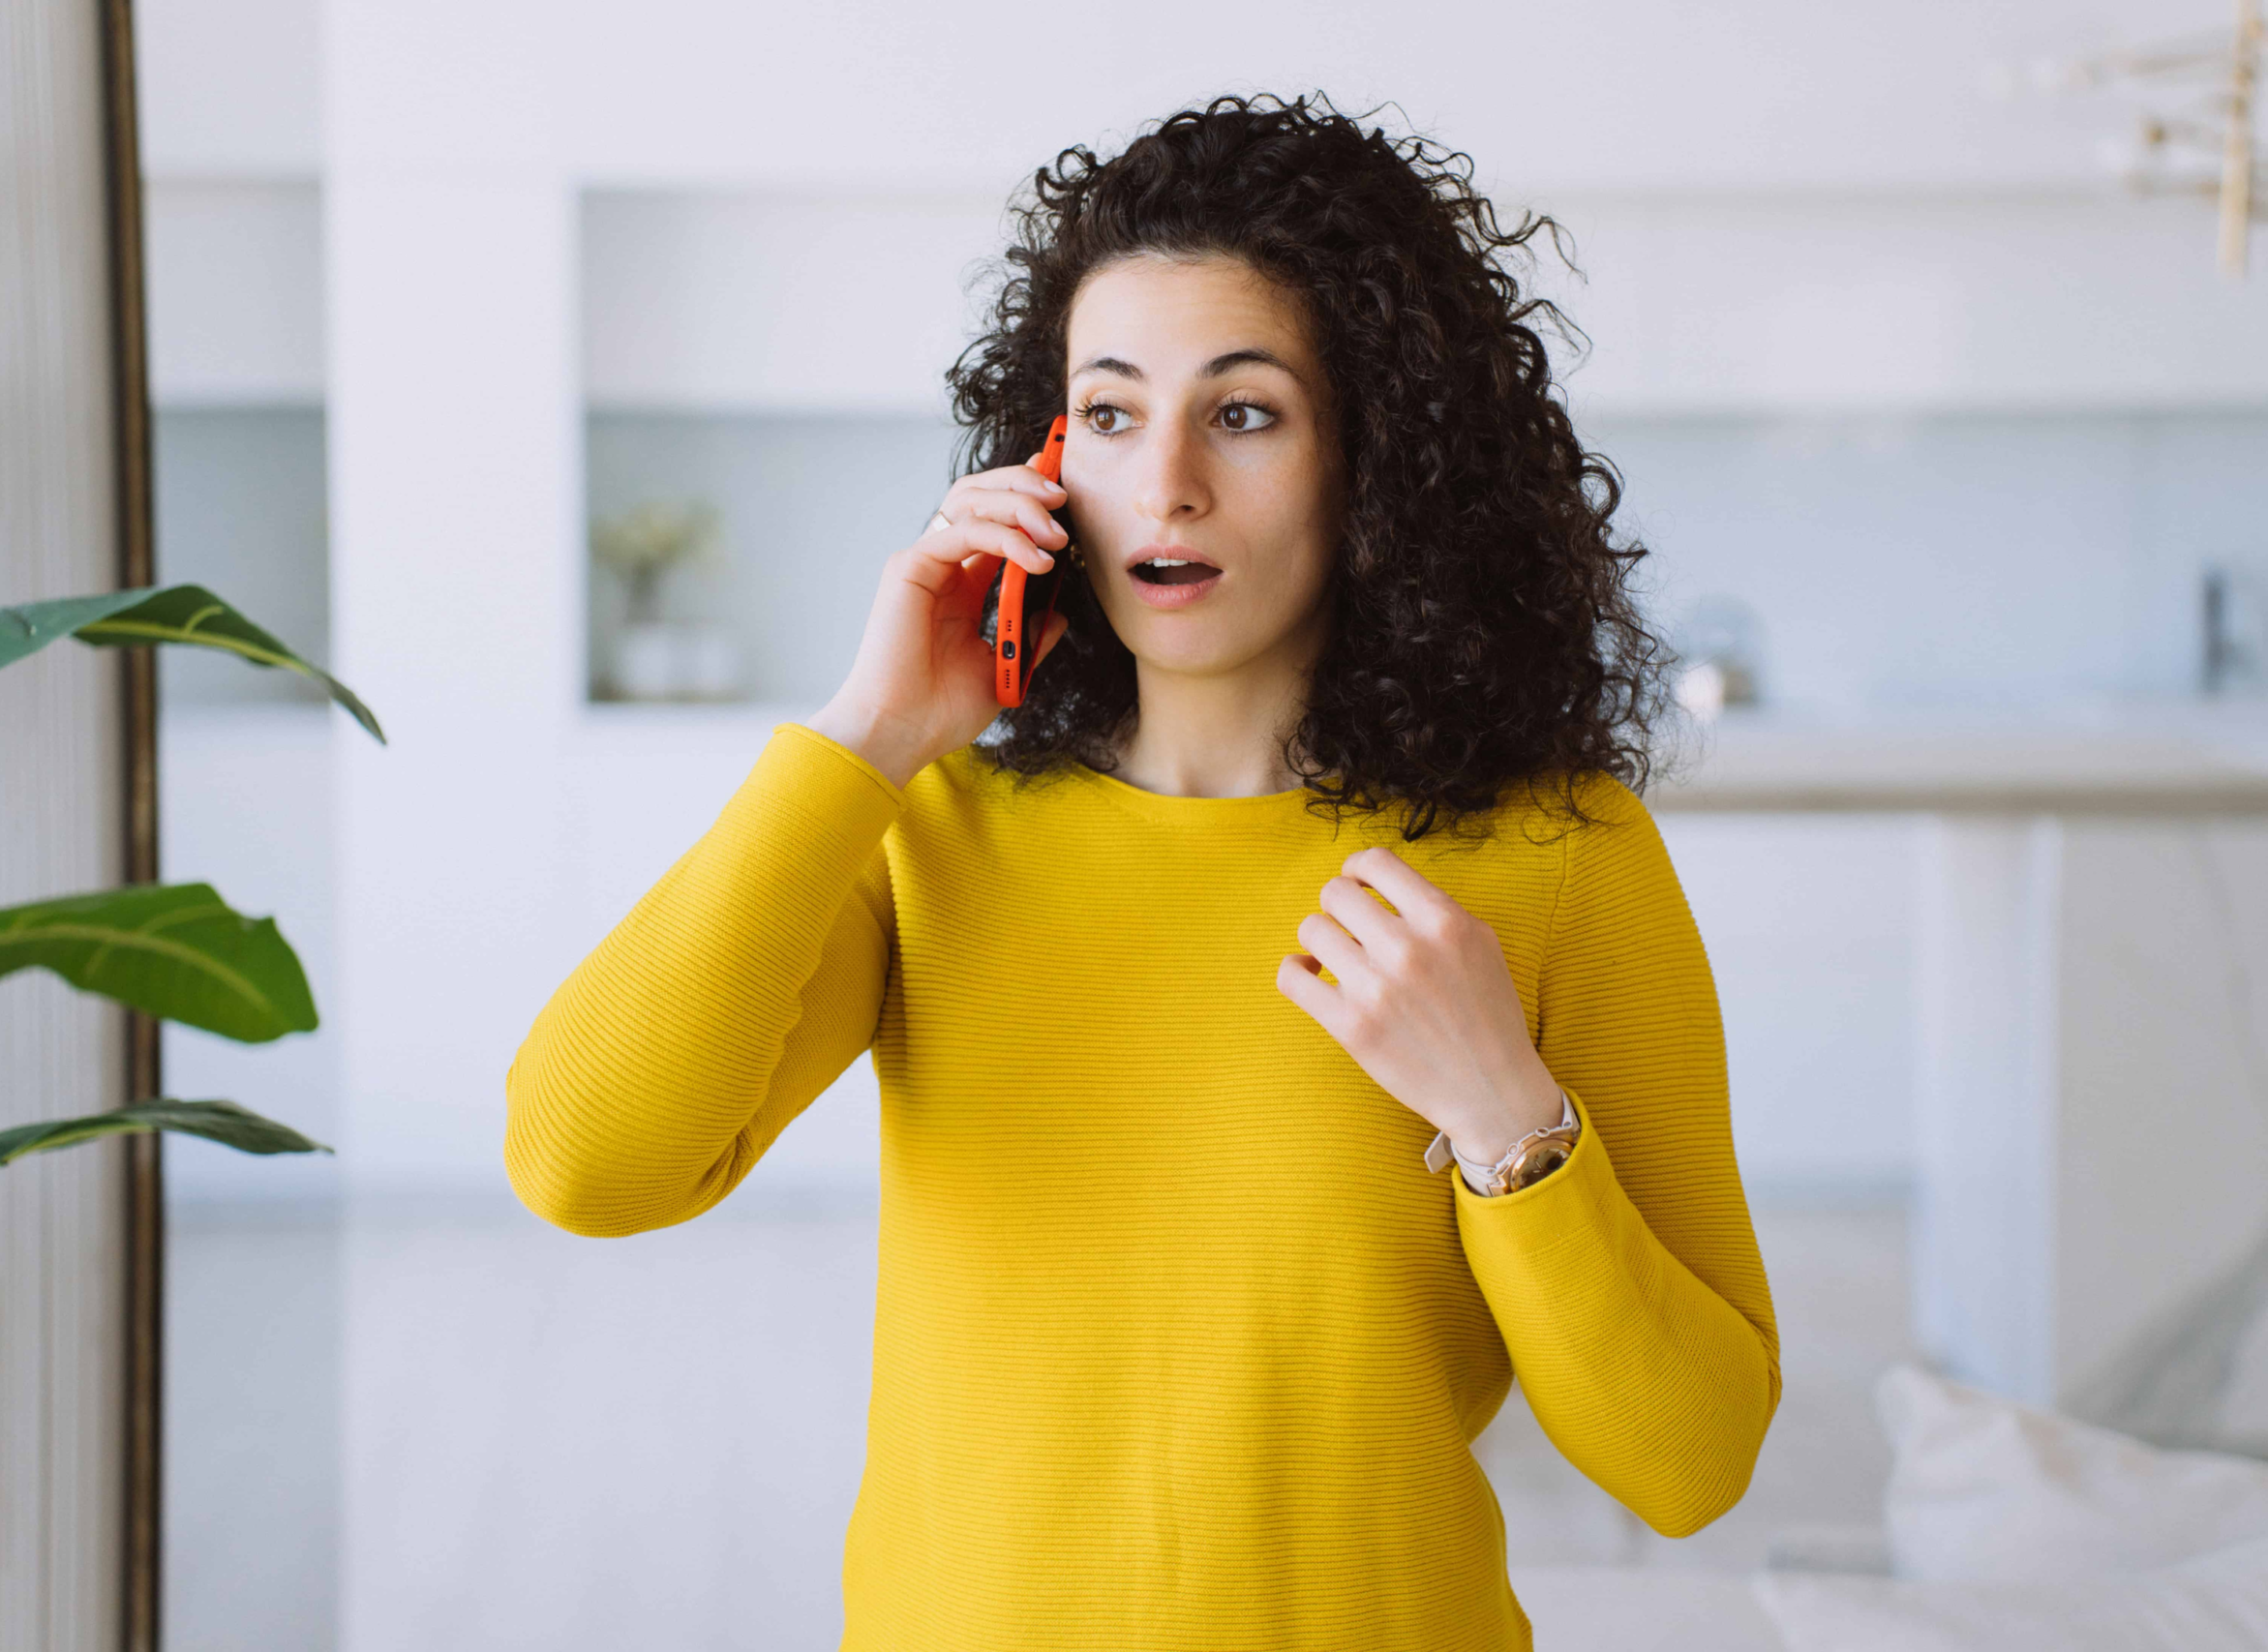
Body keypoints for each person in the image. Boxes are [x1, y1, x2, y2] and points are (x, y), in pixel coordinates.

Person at [506, 90, 1779, 1651]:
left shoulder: (1556, 856)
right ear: (1050, 458)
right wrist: (867, 736)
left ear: (1376, 456)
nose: (1165, 481)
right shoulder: (926, 827)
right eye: (1110, 414)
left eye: (1244, 413)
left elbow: (1691, 1463)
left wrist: (1507, 1116)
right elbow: (584, 1165)